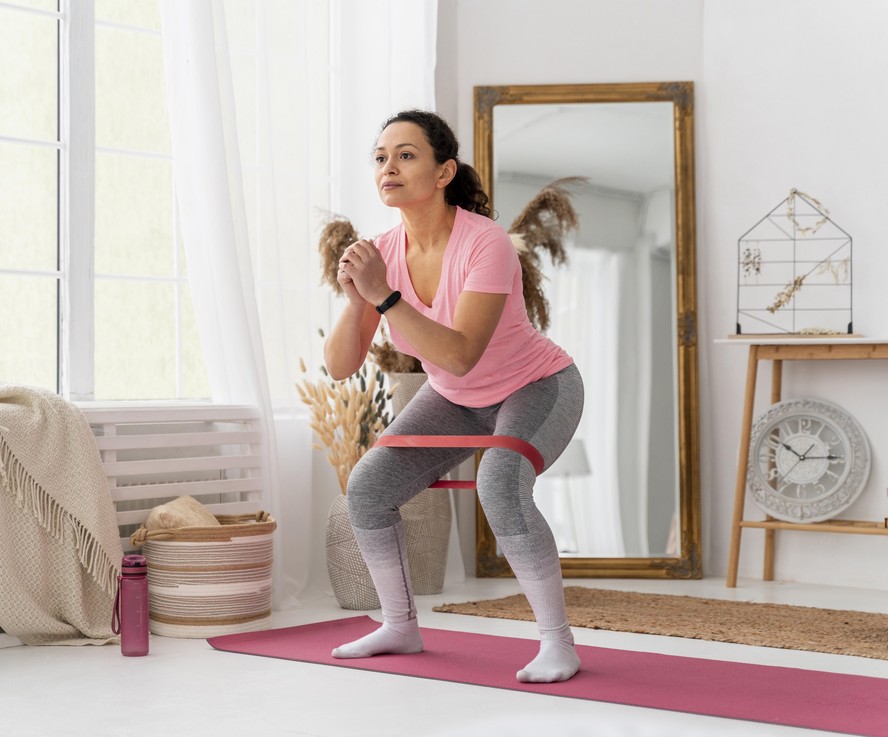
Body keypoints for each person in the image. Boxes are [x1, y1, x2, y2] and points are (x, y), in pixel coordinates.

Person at [324, 109, 584, 683]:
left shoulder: (485, 242)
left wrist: (385, 297)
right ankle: (400, 626)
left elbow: (461, 352)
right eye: (380, 157)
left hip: (536, 387)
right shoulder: (381, 252)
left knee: (500, 485)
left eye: (406, 154)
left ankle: (557, 643)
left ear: (444, 173)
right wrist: (355, 301)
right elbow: (341, 366)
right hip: (456, 397)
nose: (388, 167)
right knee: (367, 489)